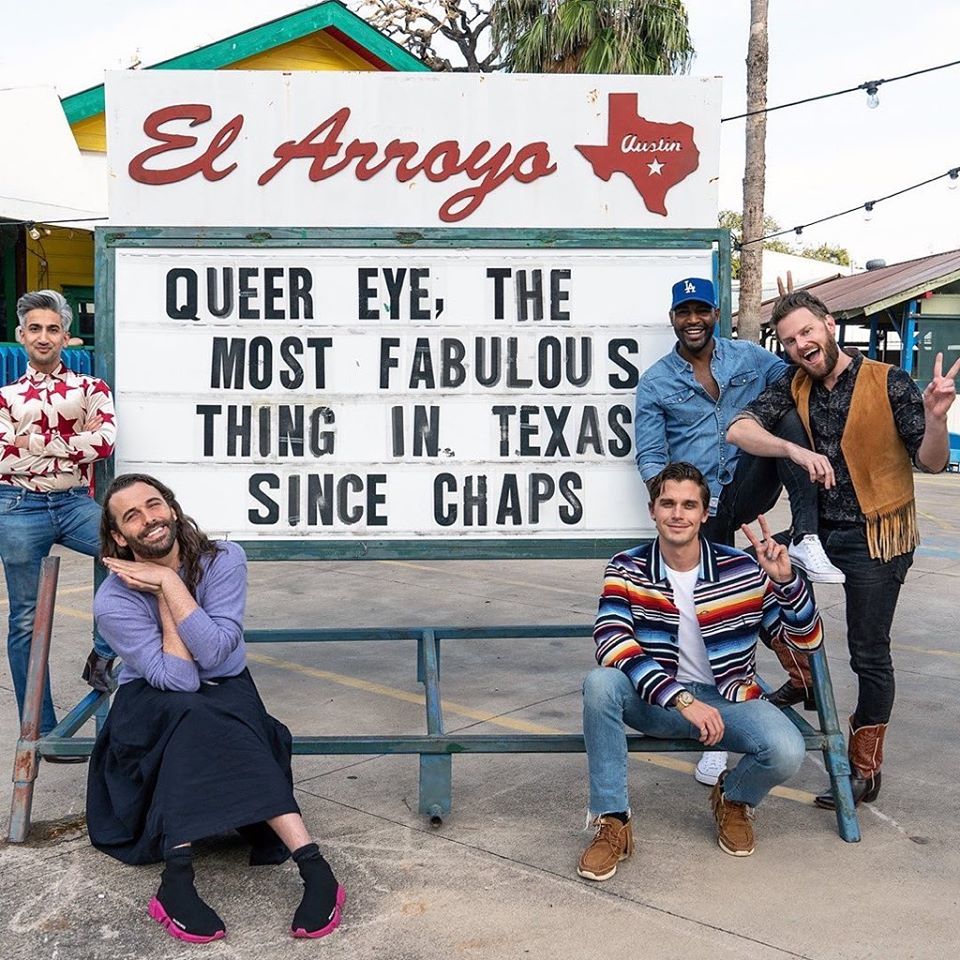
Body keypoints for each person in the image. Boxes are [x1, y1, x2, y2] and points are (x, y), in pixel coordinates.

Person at [87, 474, 345, 943]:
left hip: (225, 687)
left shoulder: (224, 560)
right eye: (132, 516)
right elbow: (181, 680)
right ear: (120, 538)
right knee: (193, 713)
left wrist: (168, 582)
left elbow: (219, 651)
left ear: (171, 506)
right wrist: (167, 593)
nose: (149, 519)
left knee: (217, 711)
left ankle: (312, 871)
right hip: (153, 703)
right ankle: (185, 879)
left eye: (154, 504)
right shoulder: (113, 600)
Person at [727, 289, 959, 808]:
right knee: (745, 584)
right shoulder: (794, 385)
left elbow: (933, 462)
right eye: (789, 340)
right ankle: (803, 676)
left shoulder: (889, 380)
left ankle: (864, 766)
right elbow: (738, 429)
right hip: (819, 532)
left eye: (807, 332)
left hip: (877, 533)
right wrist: (791, 447)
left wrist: (938, 418)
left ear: (829, 325)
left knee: (868, 652)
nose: (800, 345)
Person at [634, 278, 841, 780]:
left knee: (788, 423)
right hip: (702, 509)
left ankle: (808, 538)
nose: (693, 320)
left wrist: (808, 313)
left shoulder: (749, 358)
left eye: (701, 309)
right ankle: (718, 739)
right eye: (683, 311)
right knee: (714, 617)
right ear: (673, 318)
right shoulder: (657, 380)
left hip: (748, 489)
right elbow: (651, 454)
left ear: (715, 313)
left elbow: (805, 369)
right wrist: (676, 513)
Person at [578, 462, 822, 878]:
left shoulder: (742, 570)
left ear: (705, 514)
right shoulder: (626, 567)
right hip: (657, 703)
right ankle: (612, 820)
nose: (678, 513)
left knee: (787, 748)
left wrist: (786, 584)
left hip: (728, 703)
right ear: (652, 510)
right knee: (600, 684)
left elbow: (804, 640)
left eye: (689, 505)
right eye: (668, 503)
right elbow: (612, 641)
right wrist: (681, 699)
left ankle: (735, 799)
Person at [0, 290, 118, 747]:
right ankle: (40, 729)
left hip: (73, 504)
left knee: (133, 556)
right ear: (21, 336)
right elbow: (2, 460)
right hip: (15, 506)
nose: (43, 336)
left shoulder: (91, 389)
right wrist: (70, 448)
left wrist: (29, 446)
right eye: (35, 328)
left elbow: (104, 442)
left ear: (66, 337)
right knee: (26, 620)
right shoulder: (6, 396)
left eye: (52, 329)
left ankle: (104, 654)